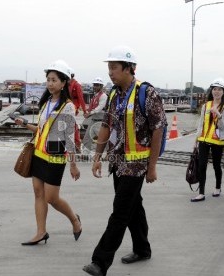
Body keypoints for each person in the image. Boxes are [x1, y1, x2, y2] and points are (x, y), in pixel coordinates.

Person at [82, 45, 166, 276]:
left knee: (120, 211)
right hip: (118, 163)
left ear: (130, 68)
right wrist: (97, 156)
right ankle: (142, 249)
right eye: (109, 67)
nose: (110, 72)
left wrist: (152, 167)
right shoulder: (113, 94)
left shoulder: (147, 93)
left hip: (137, 166)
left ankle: (100, 262)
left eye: (115, 67)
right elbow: (107, 126)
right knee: (133, 207)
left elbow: (158, 129)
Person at [15, 59, 82, 245]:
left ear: (63, 83)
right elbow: (42, 130)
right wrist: (25, 124)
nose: (50, 83)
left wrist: (73, 165)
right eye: (48, 79)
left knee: (52, 198)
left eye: (54, 80)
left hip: (55, 157)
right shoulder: (45, 104)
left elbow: (69, 137)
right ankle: (41, 232)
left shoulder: (67, 106)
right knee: (38, 194)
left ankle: (75, 220)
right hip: (38, 154)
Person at [191, 78, 224, 202]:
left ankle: (218, 187)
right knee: (202, 166)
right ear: (211, 91)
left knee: (216, 166)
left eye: (219, 89)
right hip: (204, 139)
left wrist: (218, 114)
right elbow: (201, 123)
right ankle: (201, 193)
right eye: (214, 89)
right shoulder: (206, 105)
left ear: (223, 92)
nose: (216, 92)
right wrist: (196, 138)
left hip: (218, 141)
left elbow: (223, 127)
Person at [82, 77, 108, 156]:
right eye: (94, 85)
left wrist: (89, 113)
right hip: (93, 120)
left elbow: (99, 108)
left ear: (101, 86)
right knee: (87, 137)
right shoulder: (95, 96)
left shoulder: (103, 96)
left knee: (103, 139)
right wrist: (87, 112)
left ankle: (108, 153)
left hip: (100, 121)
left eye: (97, 85)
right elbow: (92, 107)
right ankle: (85, 154)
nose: (95, 87)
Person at [68, 69, 87, 153]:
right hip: (67, 106)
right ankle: (76, 144)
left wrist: (84, 110)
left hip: (73, 107)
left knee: (72, 126)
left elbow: (81, 98)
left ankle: (77, 144)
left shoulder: (77, 85)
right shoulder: (66, 84)